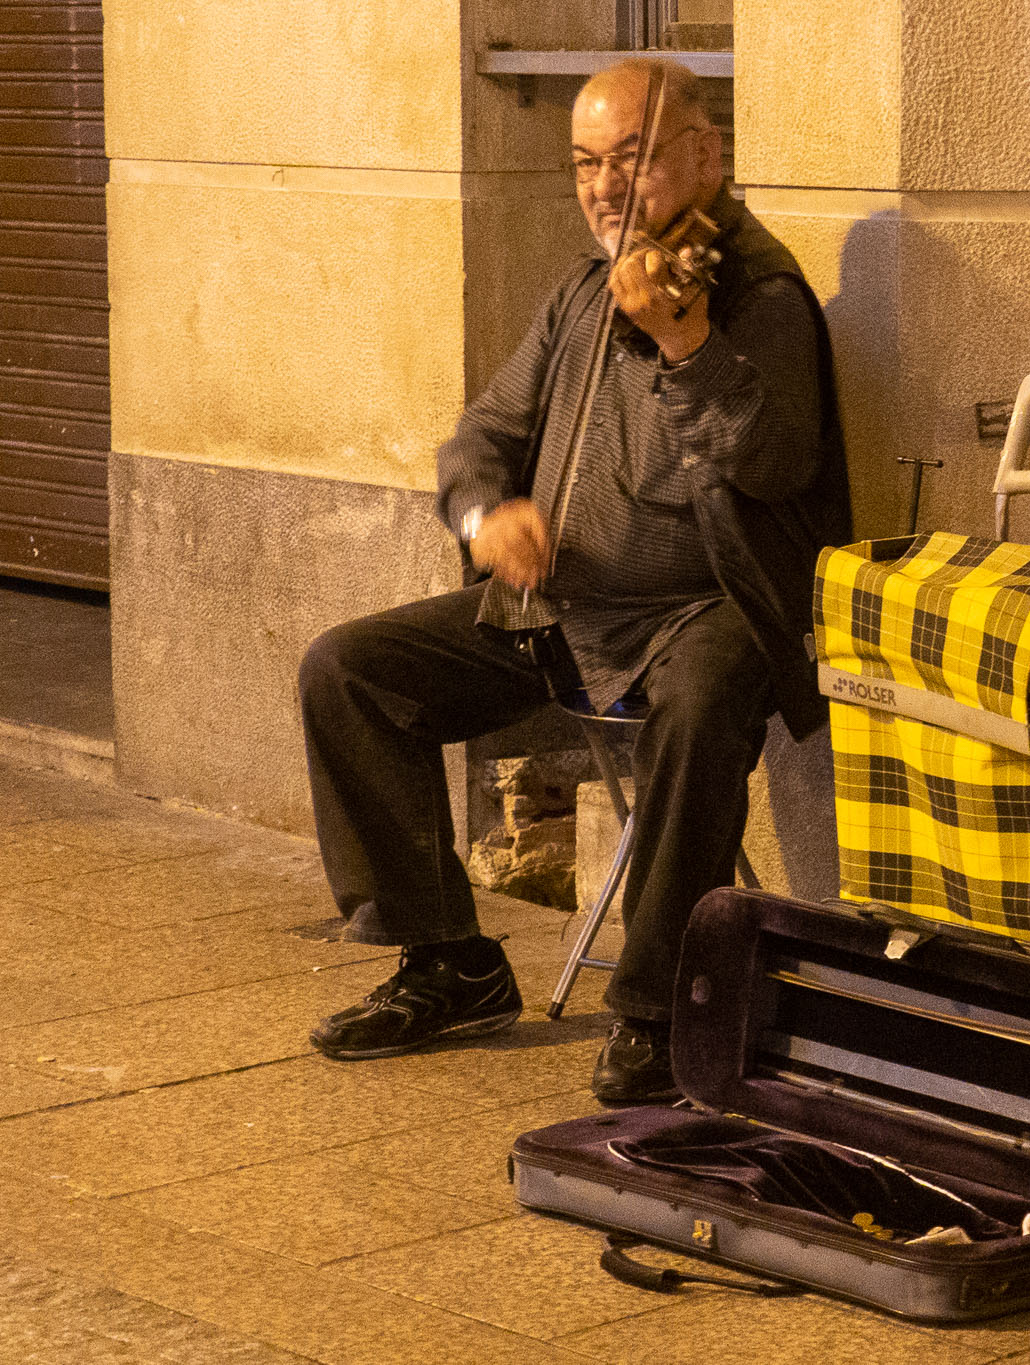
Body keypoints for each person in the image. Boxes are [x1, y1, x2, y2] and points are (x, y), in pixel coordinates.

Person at [297, 59, 849, 1104]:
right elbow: (481, 435)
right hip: (560, 612)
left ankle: (659, 1008)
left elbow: (777, 462)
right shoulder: (584, 290)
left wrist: (685, 339)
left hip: (705, 610)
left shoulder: (760, 297)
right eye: (585, 164)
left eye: (631, 159)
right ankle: (447, 961)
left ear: (706, 157)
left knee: (703, 700)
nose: (604, 187)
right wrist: (485, 517)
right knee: (350, 670)